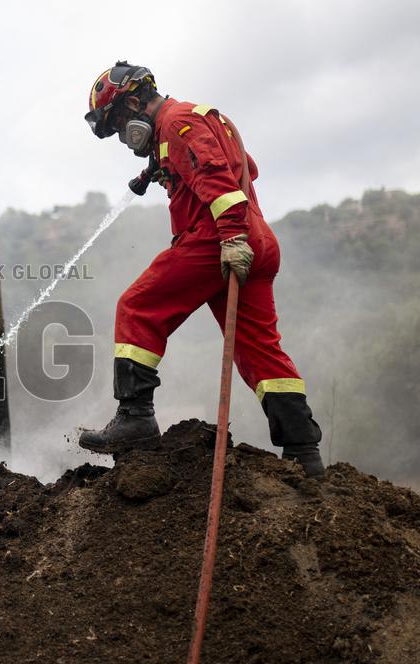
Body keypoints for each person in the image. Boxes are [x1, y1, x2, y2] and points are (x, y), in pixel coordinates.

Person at [78, 61, 324, 478]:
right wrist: (162, 167)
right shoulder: (192, 122)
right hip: (258, 240)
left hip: (217, 239)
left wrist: (229, 237)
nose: (122, 137)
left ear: (135, 102)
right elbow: (245, 165)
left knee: (136, 307)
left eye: (119, 123)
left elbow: (216, 177)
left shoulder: (178, 123)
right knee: (259, 349)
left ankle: (135, 417)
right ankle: (305, 453)